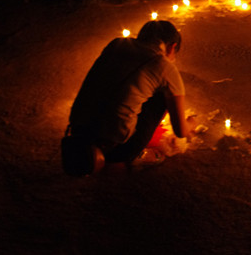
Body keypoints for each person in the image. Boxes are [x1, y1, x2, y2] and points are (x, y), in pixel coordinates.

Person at [64, 20, 191, 174]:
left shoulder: (116, 44)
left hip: (77, 131)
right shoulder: (164, 66)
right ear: (172, 47)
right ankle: (124, 158)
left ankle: (98, 151)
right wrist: (190, 123)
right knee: (163, 96)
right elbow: (181, 132)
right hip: (113, 145)